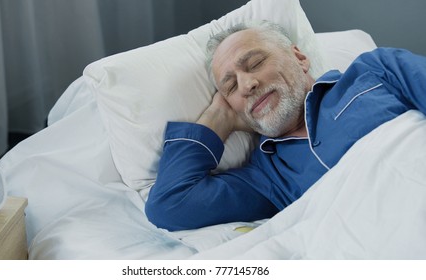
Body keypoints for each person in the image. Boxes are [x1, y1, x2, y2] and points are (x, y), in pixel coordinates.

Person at [145, 20, 426, 231]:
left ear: (300, 58)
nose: (246, 85)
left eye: (255, 63)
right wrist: (217, 118)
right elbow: (169, 205)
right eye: (230, 87)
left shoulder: (375, 71)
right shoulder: (269, 178)